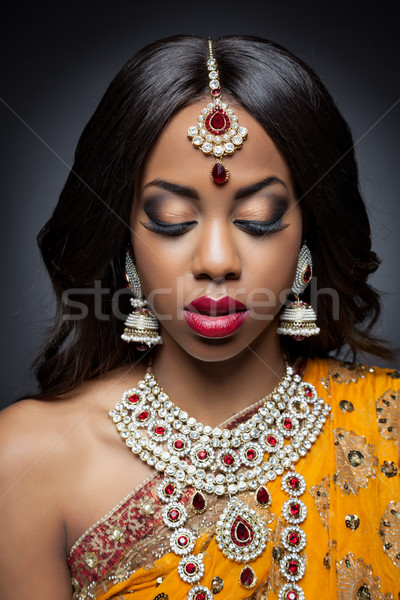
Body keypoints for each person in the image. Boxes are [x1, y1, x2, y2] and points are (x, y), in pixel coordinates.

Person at [0, 34, 398, 600]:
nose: (216, 261)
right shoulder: (26, 460)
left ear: (309, 237)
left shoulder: (389, 429)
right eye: (170, 219)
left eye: (259, 219)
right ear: (124, 240)